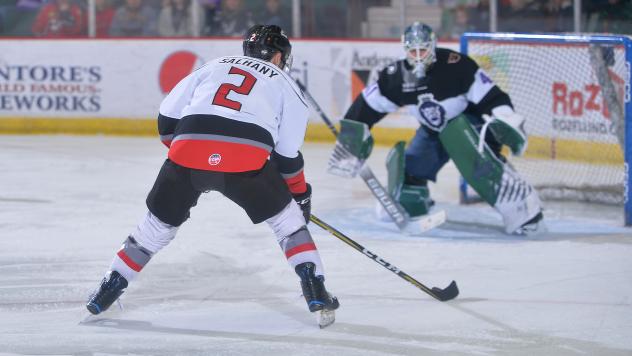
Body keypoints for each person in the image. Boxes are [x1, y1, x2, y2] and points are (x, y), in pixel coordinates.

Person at [86, 24, 339, 327]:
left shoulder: (213, 66)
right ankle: (315, 290)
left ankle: (108, 289)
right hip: (245, 160)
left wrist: (197, 156)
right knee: (288, 225)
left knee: (154, 229)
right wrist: (299, 194)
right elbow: (287, 158)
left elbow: (167, 122)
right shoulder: (287, 84)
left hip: (188, 153)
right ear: (279, 56)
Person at [328, 22, 543, 235]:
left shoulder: (457, 65)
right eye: (413, 50)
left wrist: (506, 117)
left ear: (433, 45)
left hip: (468, 125)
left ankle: (524, 210)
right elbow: (366, 106)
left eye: (423, 49)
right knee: (410, 171)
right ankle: (413, 206)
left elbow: (491, 96)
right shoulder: (396, 76)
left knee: (479, 165)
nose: (419, 55)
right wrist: (351, 139)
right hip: (433, 132)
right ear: (405, 49)